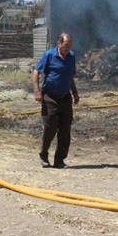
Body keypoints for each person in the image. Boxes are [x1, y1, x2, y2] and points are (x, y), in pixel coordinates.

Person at [32, 32, 79, 169]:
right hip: (50, 97)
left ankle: (59, 160)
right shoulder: (49, 55)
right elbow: (36, 72)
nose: (67, 49)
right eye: (65, 46)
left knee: (65, 130)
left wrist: (75, 93)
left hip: (65, 97)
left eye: (69, 46)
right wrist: (36, 90)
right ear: (59, 44)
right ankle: (44, 155)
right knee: (50, 127)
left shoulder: (71, 57)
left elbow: (70, 76)